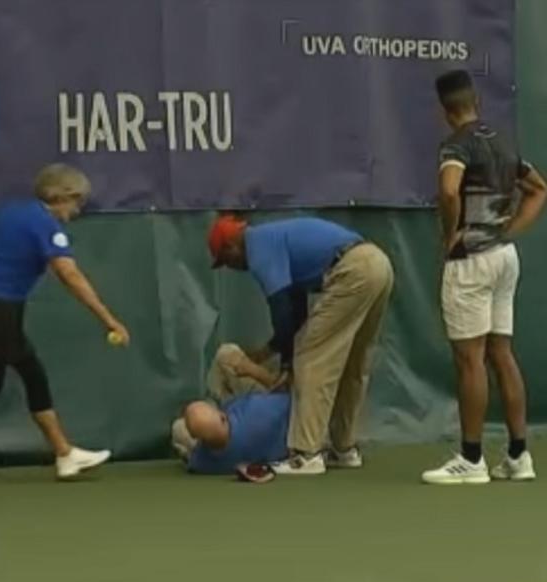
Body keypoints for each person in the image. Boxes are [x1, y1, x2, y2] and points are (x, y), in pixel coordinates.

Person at [0, 163, 130, 488]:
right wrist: (109, 319)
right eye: (76, 202)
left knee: (32, 374)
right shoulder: (45, 225)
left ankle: (64, 454)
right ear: (61, 196)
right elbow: (70, 275)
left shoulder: (12, 211)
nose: (76, 211)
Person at [422, 70, 547, 485]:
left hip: (471, 261)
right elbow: (538, 188)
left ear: (444, 111)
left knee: (469, 359)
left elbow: (449, 190)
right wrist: (510, 229)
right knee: (501, 353)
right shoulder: (503, 142)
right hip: (504, 257)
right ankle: (518, 455)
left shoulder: (455, 144)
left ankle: (472, 459)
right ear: (476, 101)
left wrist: (450, 234)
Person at [207, 216, 393, 475]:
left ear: (231, 247)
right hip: (377, 263)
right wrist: (273, 352)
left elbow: (281, 309)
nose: (233, 268)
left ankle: (306, 455)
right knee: (353, 362)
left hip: (352, 271)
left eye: (227, 261)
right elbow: (296, 311)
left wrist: (288, 362)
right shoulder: (273, 238)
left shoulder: (257, 247)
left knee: (310, 359)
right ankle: (344, 449)